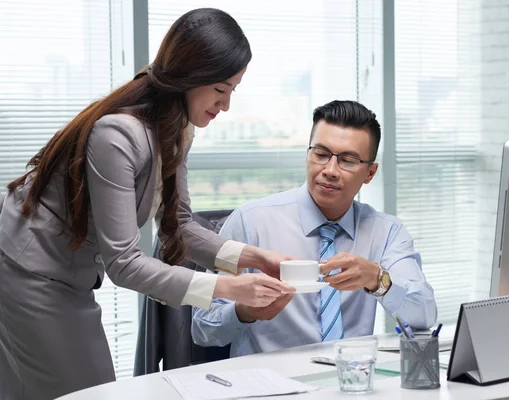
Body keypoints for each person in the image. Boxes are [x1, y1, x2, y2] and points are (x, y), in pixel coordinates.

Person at [0, 8, 294, 400]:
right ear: (190, 77)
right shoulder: (117, 134)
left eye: (232, 92)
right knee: (89, 392)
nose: (225, 107)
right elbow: (124, 263)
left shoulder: (176, 127)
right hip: (27, 271)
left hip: (66, 271)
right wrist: (229, 288)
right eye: (220, 91)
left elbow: (180, 226)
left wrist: (253, 257)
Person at [192, 100, 437, 358]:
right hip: (270, 385)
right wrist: (245, 312)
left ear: (370, 173)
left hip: (352, 382)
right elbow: (201, 327)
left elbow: (424, 316)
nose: (330, 171)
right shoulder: (251, 221)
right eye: (321, 155)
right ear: (307, 155)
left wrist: (377, 279)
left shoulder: (386, 232)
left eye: (348, 160)